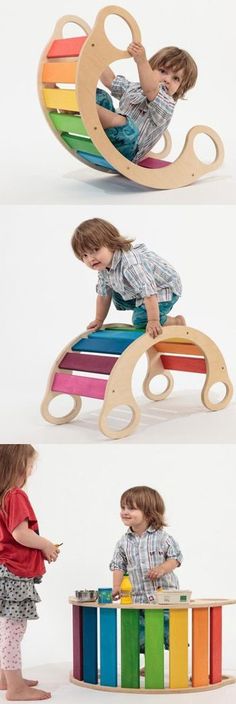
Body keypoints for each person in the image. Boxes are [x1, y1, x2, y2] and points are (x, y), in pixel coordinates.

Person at [0, 444, 60, 701]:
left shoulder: (3, 495)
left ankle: (5, 678)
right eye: (29, 464)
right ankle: (16, 688)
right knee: (14, 629)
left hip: (4, 569)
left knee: (4, 627)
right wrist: (45, 544)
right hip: (14, 572)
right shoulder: (15, 495)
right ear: (17, 466)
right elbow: (20, 534)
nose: (31, 471)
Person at [71, 218, 185, 338]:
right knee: (114, 295)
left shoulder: (130, 264)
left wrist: (152, 321)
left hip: (163, 288)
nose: (90, 259)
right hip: (143, 290)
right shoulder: (103, 267)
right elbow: (103, 295)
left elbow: (149, 292)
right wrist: (99, 320)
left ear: (111, 244)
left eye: (95, 250)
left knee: (140, 320)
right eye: (84, 255)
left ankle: (176, 322)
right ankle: (143, 308)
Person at [109, 485, 183, 662]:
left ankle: (179, 665)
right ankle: (152, 665)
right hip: (138, 599)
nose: (125, 512)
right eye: (123, 507)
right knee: (145, 635)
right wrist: (116, 586)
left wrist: (162, 568)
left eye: (132, 508)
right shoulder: (123, 543)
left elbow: (176, 558)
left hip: (164, 598)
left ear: (149, 513)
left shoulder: (162, 537)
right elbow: (118, 565)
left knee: (170, 633)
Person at [96, 43, 198, 162]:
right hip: (107, 133)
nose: (167, 79)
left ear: (180, 88)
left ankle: (87, 109)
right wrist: (97, 57)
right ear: (151, 70)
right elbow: (110, 81)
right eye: (163, 71)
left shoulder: (167, 105)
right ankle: (79, 106)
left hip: (127, 148)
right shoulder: (135, 88)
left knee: (126, 125)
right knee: (102, 96)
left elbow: (151, 90)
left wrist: (141, 61)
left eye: (176, 78)